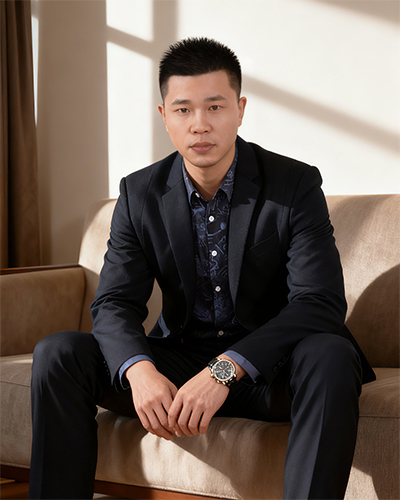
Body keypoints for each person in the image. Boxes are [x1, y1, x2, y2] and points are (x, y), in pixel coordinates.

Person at [29, 37, 375, 500]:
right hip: (180, 361)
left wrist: (225, 370)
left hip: (269, 369)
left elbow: (320, 303)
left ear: (240, 109)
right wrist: (140, 371)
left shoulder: (294, 184)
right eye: (183, 110)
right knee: (59, 353)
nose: (200, 125)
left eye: (215, 107)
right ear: (164, 116)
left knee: (331, 355)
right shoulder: (140, 193)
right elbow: (113, 302)